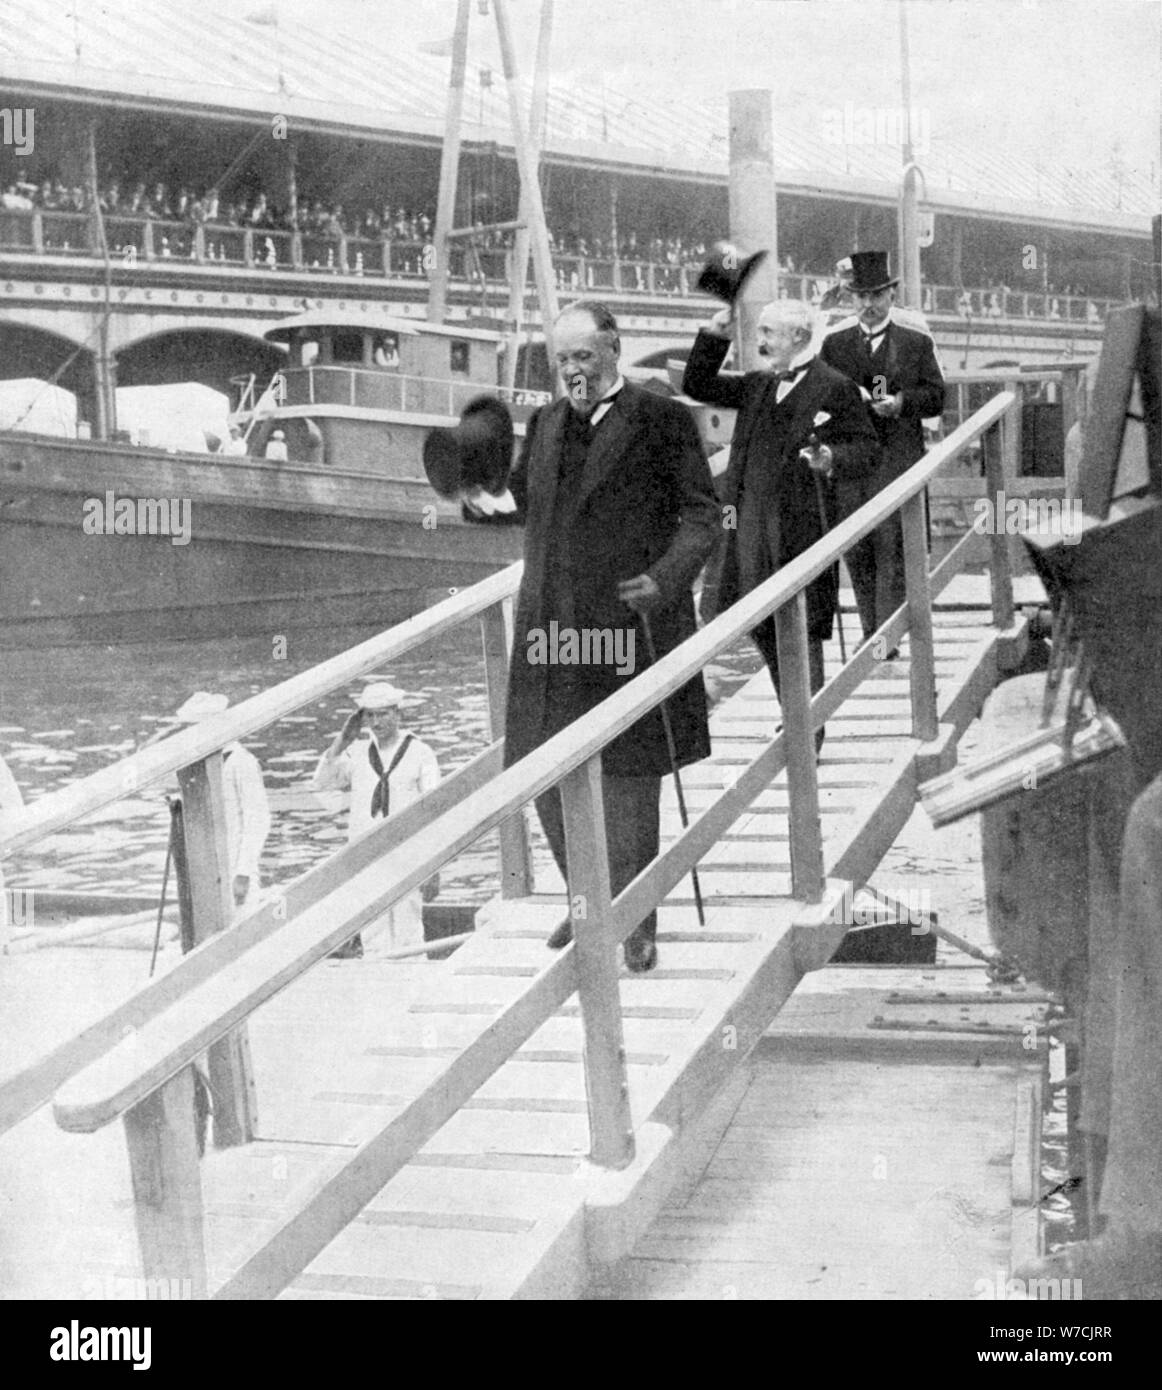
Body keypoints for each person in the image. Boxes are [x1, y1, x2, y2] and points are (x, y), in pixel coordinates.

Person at [463, 300, 719, 972]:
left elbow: (702, 516)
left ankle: (634, 920)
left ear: (612, 347)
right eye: (561, 361)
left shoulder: (661, 420)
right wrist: (478, 499)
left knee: (630, 774)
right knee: (540, 764)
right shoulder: (545, 422)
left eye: (582, 356)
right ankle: (585, 904)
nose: (572, 371)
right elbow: (523, 502)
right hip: (551, 624)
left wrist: (665, 580)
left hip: (627, 622)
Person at [683, 299, 879, 744]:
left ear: (798, 338)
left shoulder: (835, 387)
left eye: (770, 333)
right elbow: (698, 382)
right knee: (758, 621)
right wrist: (715, 335)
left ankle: (809, 727)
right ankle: (797, 714)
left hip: (800, 528)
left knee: (802, 624)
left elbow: (867, 449)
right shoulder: (757, 385)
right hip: (749, 527)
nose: (761, 341)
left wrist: (832, 457)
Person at [819, 250, 945, 646]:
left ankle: (883, 638)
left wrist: (902, 403)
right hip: (852, 461)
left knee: (891, 545)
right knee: (857, 547)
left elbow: (936, 396)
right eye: (860, 297)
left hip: (896, 459)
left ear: (891, 294)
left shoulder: (915, 343)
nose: (869, 305)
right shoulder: (834, 345)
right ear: (851, 298)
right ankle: (874, 630)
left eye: (876, 295)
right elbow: (819, 397)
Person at [311, 681, 440, 959]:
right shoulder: (356, 753)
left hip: (407, 852)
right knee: (373, 930)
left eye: (383, 714)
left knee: (408, 929)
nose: (376, 721)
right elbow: (322, 784)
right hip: (367, 853)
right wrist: (343, 740)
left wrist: (433, 865)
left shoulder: (421, 753)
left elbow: (434, 810)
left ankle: (412, 986)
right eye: (370, 715)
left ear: (397, 713)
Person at [173, 692, 271, 911]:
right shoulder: (197, 765)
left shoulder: (241, 762)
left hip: (235, 868)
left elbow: (258, 820)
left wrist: (243, 874)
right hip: (206, 867)